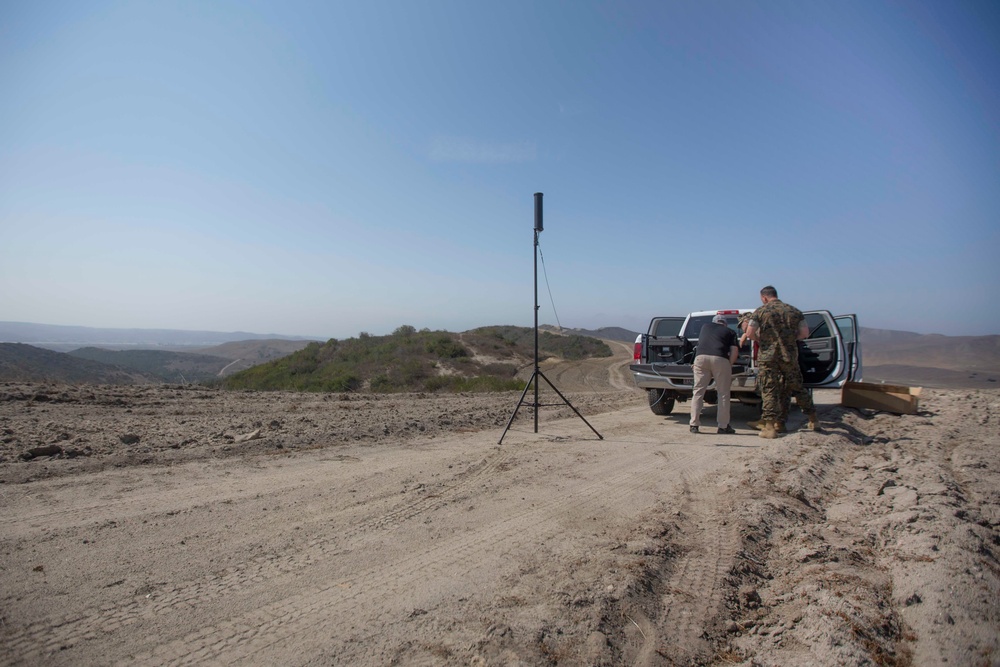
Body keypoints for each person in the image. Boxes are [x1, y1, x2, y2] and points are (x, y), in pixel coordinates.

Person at [744, 286, 818, 439]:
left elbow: (750, 333)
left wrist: (762, 339)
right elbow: (804, 333)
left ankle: (770, 428)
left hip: (768, 357)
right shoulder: (794, 311)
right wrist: (789, 339)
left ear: (764, 298)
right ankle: (813, 420)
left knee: (769, 389)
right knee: (797, 387)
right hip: (789, 356)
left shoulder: (761, 311)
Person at [689, 314, 739, 434]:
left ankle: (694, 424)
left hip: (700, 358)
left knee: (698, 392)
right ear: (725, 324)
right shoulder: (730, 331)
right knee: (723, 394)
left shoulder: (705, 327)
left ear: (714, 322)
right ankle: (723, 426)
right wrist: (729, 365)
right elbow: (735, 351)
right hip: (720, 358)